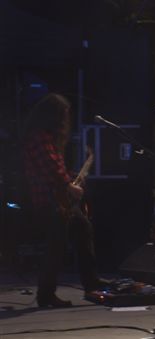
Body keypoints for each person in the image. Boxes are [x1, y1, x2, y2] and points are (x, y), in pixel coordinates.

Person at [23, 93, 105, 308]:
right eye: (63, 115)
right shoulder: (39, 137)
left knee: (82, 229)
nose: (65, 121)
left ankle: (91, 283)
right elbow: (50, 169)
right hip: (49, 201)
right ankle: (46, 294)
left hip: (57, 200)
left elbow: (55, 169)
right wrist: (70, 186)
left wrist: (72, 177)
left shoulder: (47, 138)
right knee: (56, 246)